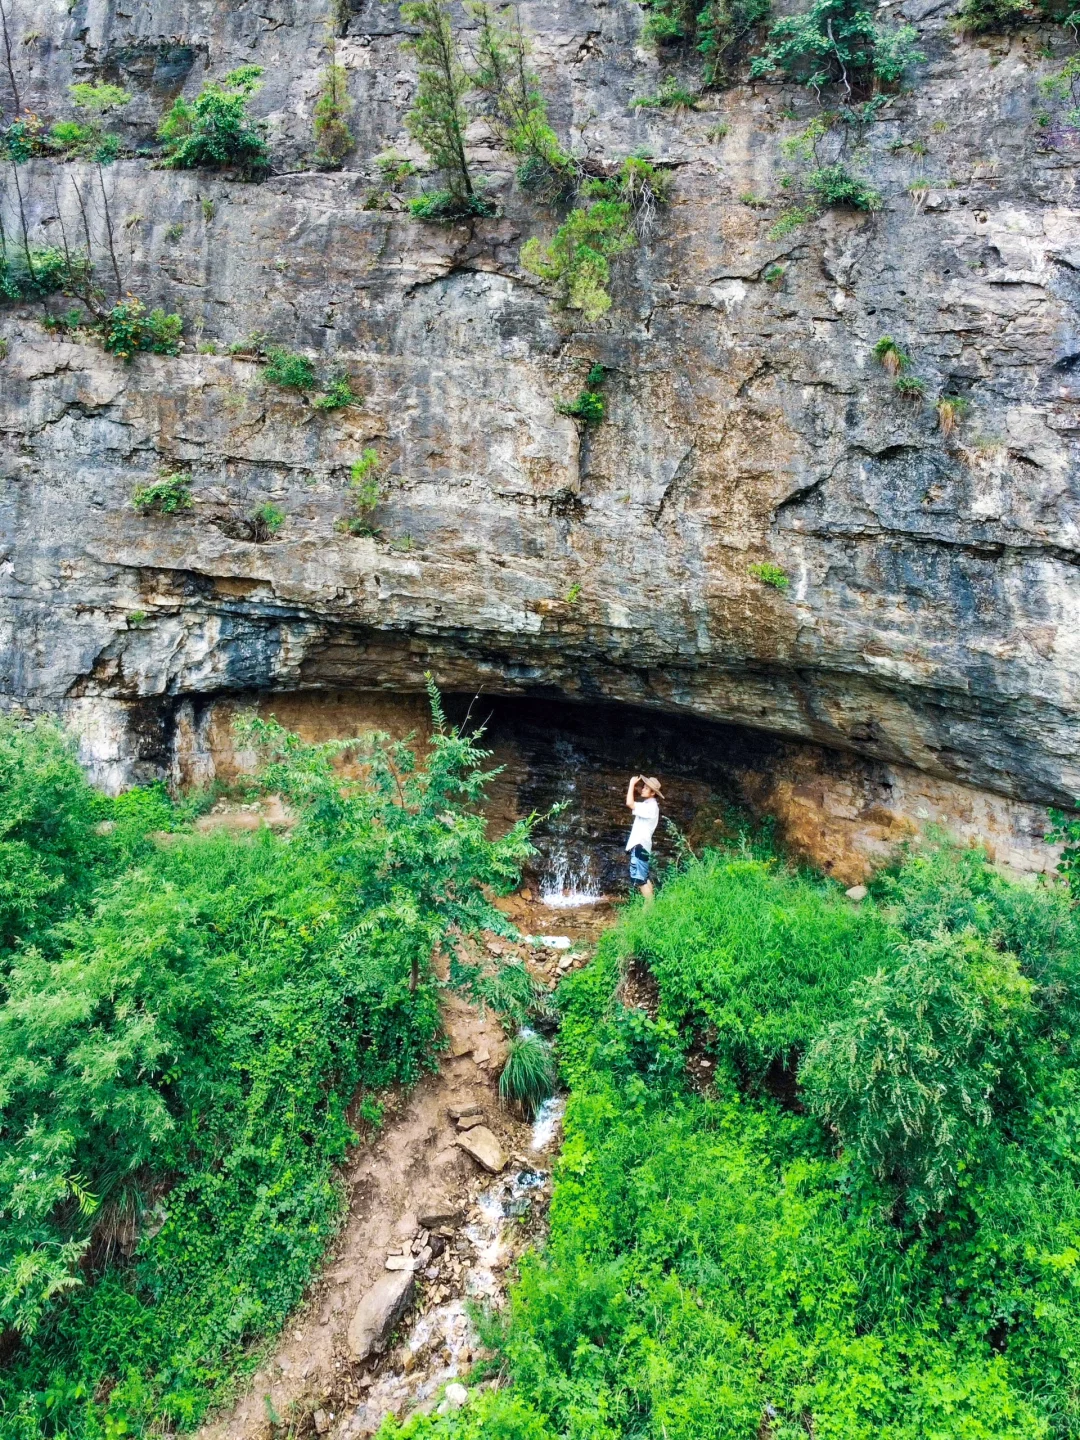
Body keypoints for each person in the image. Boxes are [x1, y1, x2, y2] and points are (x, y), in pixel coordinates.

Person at [625, 773, 663, 904]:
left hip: (640, 845)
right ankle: (651, 907)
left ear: (653, 793)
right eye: (644, 787)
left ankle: (649, 909)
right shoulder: (649, 805)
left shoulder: (650, 807)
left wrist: (631, 784)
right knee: (644, 877)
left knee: (640, 880)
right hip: (643, 846)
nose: (643, 789)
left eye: (646, 788)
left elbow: (629, 803)